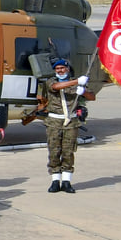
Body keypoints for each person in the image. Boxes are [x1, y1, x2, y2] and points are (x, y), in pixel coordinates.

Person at [38, 56, 86, 192]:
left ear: (67, 69)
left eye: (62, 68)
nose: (60, 71)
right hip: (54, 121)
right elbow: (56, 87)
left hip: (70, 122)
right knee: (54, 151)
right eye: (57, 69)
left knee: (68, 151)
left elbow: (92, 97)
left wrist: (83, 91)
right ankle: (55, 180)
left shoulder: (75, 83)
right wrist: (77, 81)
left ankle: (66, 181)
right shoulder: (51, 81)